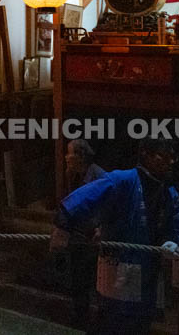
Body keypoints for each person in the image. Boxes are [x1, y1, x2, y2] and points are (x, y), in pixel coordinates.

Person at [51, 138, 179, 335]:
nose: (169, 162)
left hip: (148, 273)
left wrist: (174, 243)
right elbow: (78, 203)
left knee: (140, 324)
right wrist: (61, 233)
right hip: (118, 269)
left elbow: (176, 227)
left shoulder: (169, 193)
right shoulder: (122, 180)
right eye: (162, 156)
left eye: (171, 157)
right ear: (146, 155)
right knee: (113, 323)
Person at [60, 138, 107, 328]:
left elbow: (112, 203)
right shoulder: (73, 175)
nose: (66, 157)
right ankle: (80, 320)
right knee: (78, 280)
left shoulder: (99, 176)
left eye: (69, 152)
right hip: (79, 236)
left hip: (94, 238)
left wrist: (103, 228)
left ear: (79, 156)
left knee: (98, 282)